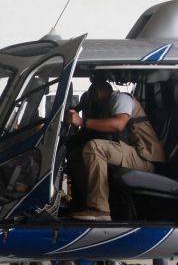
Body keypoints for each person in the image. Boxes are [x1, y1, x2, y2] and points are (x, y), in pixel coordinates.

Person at [64, 79, 165, 221]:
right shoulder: (106, 108)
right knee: (77, 154)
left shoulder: (120, 99)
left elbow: (118, 125)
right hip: (131, 153)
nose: (91, 100)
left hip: (144, 157)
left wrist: (82, 122)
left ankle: (99, 209)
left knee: (95, 147)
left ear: (99, 92)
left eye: (92, 95)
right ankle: (84, 202)